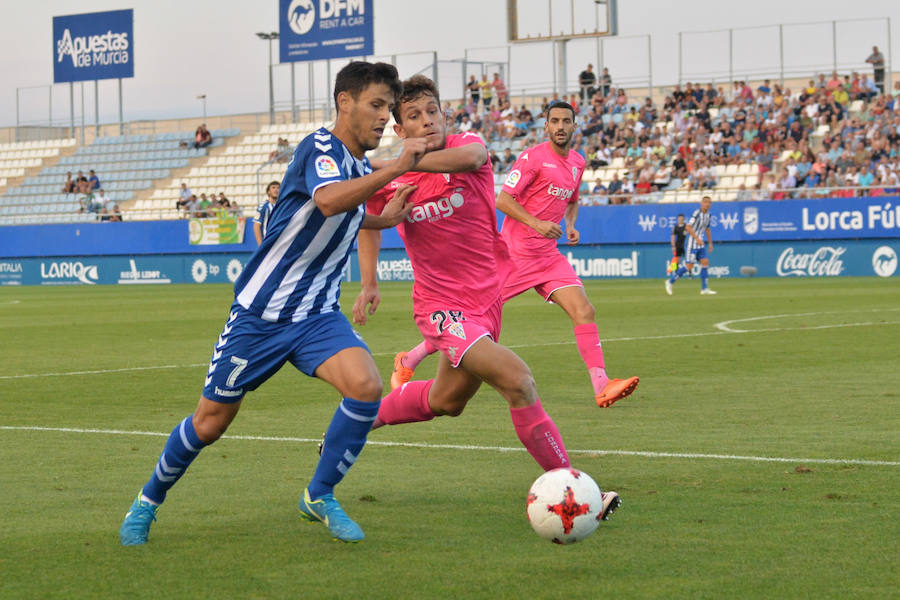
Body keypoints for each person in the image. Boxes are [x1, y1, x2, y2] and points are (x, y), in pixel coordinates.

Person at [118, 61, 428, 546]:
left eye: (388, 108)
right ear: (344, 101)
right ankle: (146, 502)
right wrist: (397, 167)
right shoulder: (320, 149)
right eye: (376, 105)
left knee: (366, 386)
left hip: (316, 316)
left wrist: (380, 220)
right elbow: (328, 202)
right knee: (210, 422)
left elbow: (336, 215)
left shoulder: (354, 164)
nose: (384, 117)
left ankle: (319, 495)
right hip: (260, 317)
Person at [354, 79, 620, 523]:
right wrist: (369, 283)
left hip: (485, 301)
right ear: (400, 129)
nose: (427, 121)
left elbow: (475, 158)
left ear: (445, 116)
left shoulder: (466, 146)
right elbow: (368, 221)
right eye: (414, 117)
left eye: (432, 112)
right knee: (518, 380)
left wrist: (399, 163)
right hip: (439, 307)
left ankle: (357, 421)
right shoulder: (392, 176)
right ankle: (573, 489)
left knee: (446, 401)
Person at [665, 195, 716, 295]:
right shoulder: (697, 213)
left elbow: (707, 229)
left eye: (709, 202)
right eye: (705, 202)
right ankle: (670, 282)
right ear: (701, 203)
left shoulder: (708, 215)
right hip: (692, 244)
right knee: (689, 266)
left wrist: (710, 243)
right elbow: (688, 227)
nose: (707, 204)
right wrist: (697, 238)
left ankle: (704, 289)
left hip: (700, 244)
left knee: (705, 262)